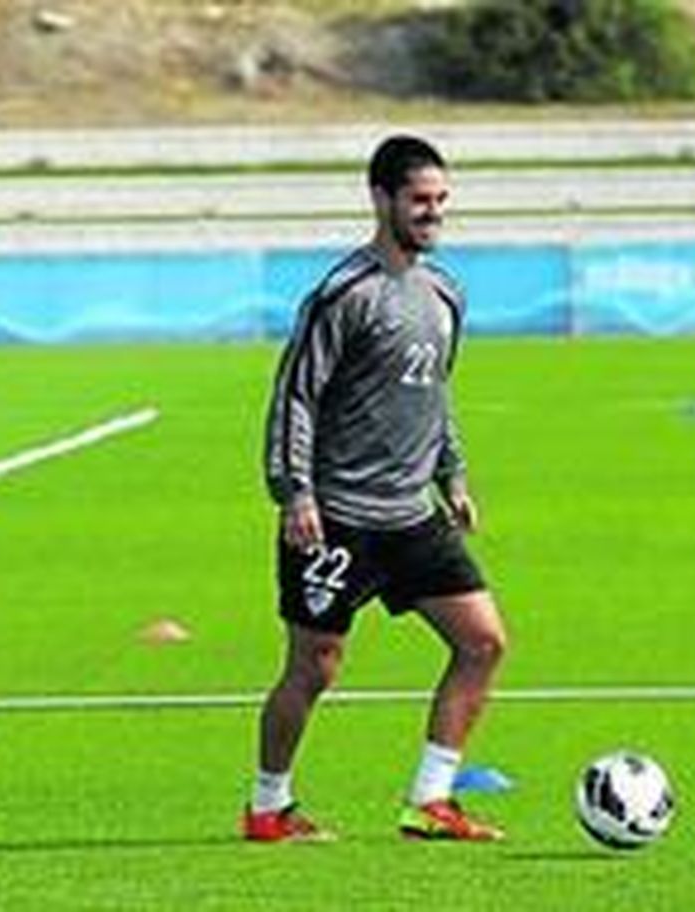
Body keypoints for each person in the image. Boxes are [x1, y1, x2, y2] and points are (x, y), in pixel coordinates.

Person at [244, 135, 508, 842]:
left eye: (441, 200)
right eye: (420, 199)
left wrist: (452, 473)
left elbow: (436, 393)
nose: (433, 212)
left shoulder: (445, 293)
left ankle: (431, 801)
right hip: (337, 518)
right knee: (315, 667)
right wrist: (295, 493)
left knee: (483, 642)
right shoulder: (344, 294)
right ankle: (268, 806)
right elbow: (296, 395)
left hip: (412, 518)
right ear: (381, 198)